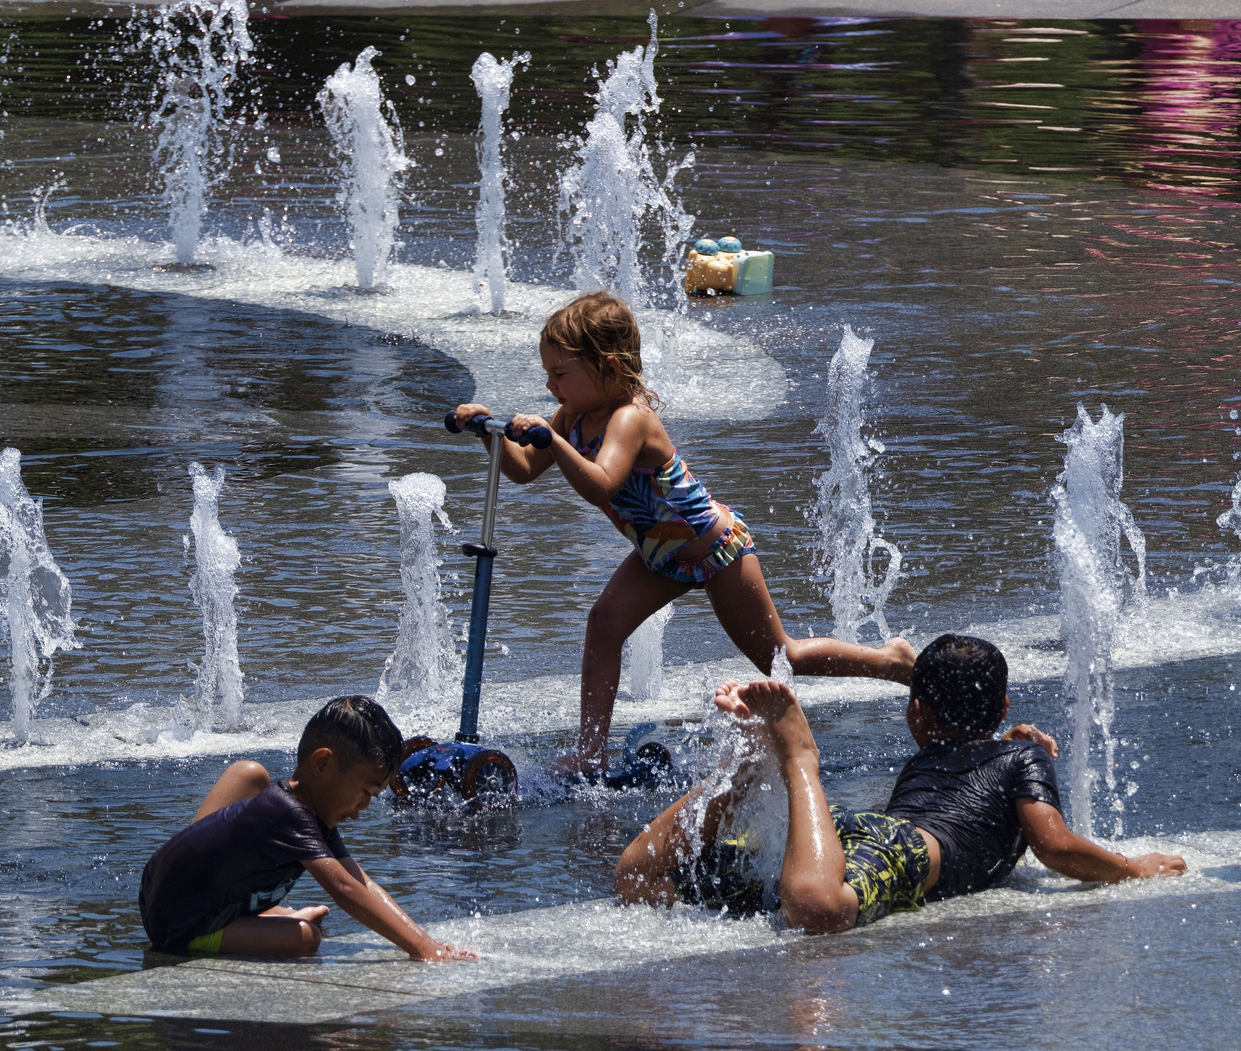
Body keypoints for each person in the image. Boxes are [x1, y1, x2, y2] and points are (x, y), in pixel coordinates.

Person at [453, 292, 915, 778]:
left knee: (781, 657)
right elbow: (524, 470)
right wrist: (489, 432)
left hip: (714, 547)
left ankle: (890, 661)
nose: (550, 385)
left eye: (560, 374)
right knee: (604, 624)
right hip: (661, 557)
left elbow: (602, 484)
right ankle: (590, 753)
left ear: (609, 368)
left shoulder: (630, 418)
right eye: (547, 373)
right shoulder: (572, 417)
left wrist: (553, 440)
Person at [615, 635, 1185, 931]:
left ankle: (743, 770)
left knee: (641, 879)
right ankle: (796, 757)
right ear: (1005, 706)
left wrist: (1008, 744)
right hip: (900, 850)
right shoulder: (1021, 757)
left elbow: (983, 775)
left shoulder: (958, 755)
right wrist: (1132, 867)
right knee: (816, 909)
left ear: (917, 714)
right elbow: (1053, 844)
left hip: (846, 839)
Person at [139, 695, 477, 960]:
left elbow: (361, 882)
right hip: (179, 926)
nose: (364, 807)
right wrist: (423, 950)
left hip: (169, 892)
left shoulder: (311, 813)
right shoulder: (288, 813)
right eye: (365, 792)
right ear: (323, 763)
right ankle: (255, 921)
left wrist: (426, 940)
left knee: (248, 776)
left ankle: (268, 914)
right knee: (304, 938)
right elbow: (345, 889)